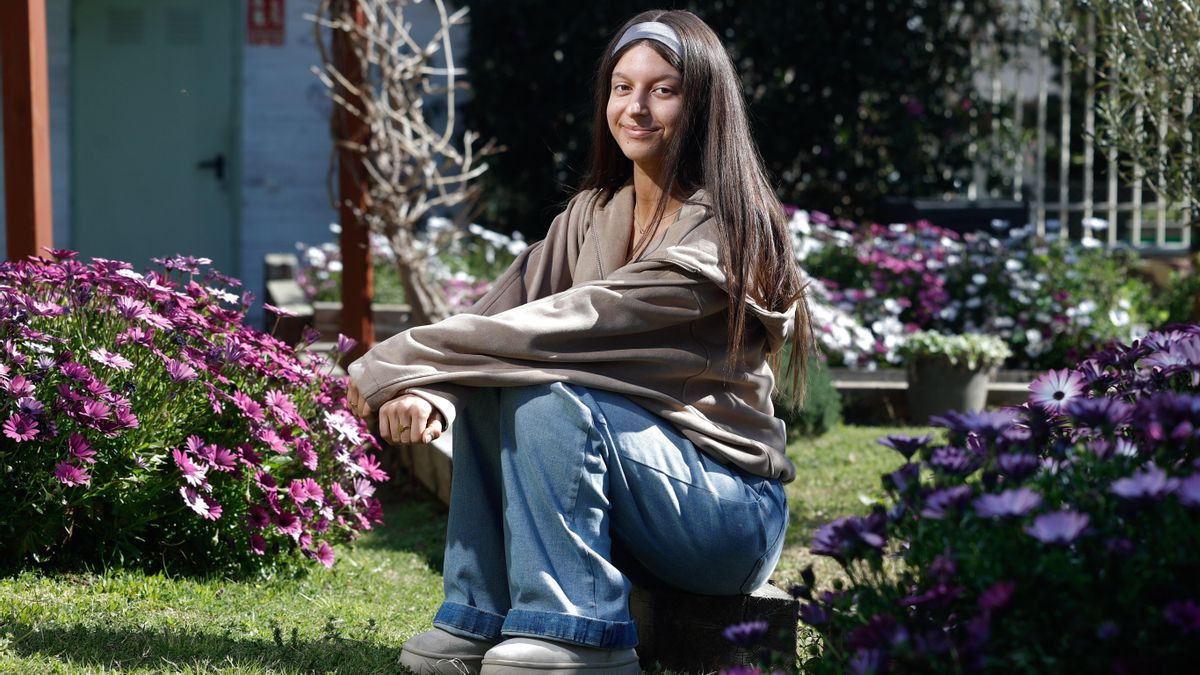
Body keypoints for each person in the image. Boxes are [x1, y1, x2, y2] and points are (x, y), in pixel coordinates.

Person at [346, 9, 812, 675]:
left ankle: (581, 632)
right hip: (640, 495)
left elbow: (577, 322)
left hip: (724, 512)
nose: (637, 108)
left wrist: (380, 366)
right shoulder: (590, 216)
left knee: (546, 391)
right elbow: (499, 314)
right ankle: (478, 616)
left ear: (704, 102)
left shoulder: (730, 233)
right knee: (495, 384)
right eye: (622, 87)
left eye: (664, 89)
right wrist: (430, 389)